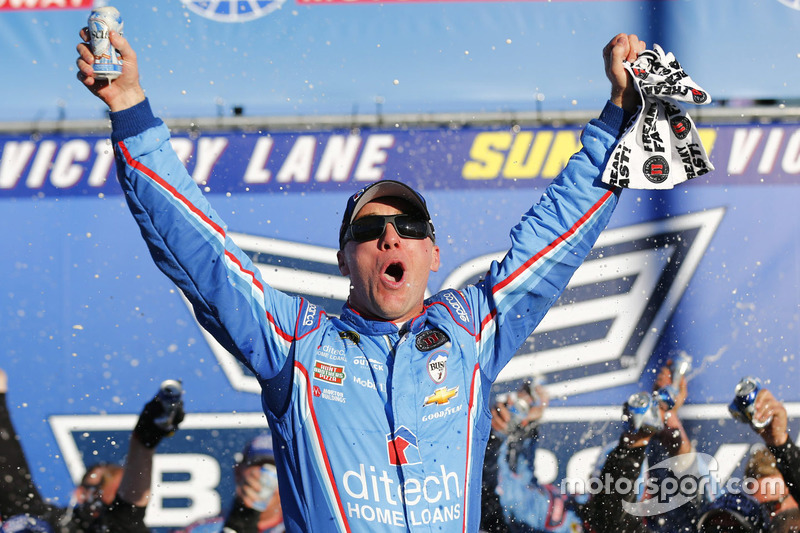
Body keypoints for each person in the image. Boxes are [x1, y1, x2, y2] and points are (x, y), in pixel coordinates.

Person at [76, 26, 646, 531]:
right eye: (371, 229)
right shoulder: (295, 344)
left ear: (434, 253)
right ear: (344, 258)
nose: (391, 237)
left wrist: (617, 117)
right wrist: (130, 108)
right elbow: (202, 257)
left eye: (409, 225)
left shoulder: (472, 332)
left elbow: (553, 241)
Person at [0, 367, 184, 533]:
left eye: (117, 494)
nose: (116, 498)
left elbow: (129, 508)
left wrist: (144, 442)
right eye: (101, 488)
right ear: (79, 494)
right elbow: (14, 488)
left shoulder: (119, 526)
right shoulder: (53, 523)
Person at [586, 362, 711, 533]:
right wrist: (637, 439)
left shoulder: (677, 462)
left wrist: (669, 418)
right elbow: (609, 515)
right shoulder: (616, 454)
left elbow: (703, 510)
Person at [481, 382, 589, 532]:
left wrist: (496, 434)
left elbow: (503, 493)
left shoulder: (564, 523)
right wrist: (527, 426)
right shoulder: (583, 505)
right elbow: (525, 479)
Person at [176, 431, 284, 533]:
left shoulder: (297, 527)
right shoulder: (201, 529)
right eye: (257, 465)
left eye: (276, 469)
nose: (265, 478)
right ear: (238, 472)